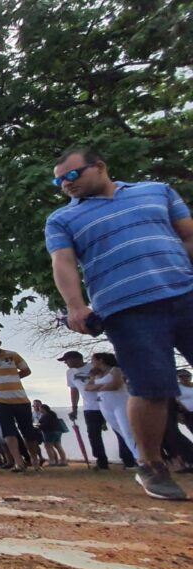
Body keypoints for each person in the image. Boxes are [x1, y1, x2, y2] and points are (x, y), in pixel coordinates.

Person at [46, 147, 192, 500]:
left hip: (185, 293)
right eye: (58, 180)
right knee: (151, 387)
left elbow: (188, 234)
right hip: (127, 308)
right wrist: (76, 306)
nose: (65, 184)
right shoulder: (62, 220)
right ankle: (152, 466)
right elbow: (63, 263)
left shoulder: (157, 191)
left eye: (71, 175)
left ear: (100, 166)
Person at [0, 334, 42, 472]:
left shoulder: (12, 355)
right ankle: (18, 461)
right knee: (8, 432)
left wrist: (13, 377)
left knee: (28, 431)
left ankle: (34, 459)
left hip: (19, 398)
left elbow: (26, 370)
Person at [59, 351, 137, 470]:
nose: (65, 363)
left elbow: (113, 381)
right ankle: (101, 461)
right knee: (93, 434)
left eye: (67, 360)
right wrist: (74, 408)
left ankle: (128, 460)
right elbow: (74, 390)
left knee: (120, 430)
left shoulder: (94, 367)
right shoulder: (70, 373)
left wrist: (98, 386)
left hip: (109, 403)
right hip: (90, 407)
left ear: (77, 359)